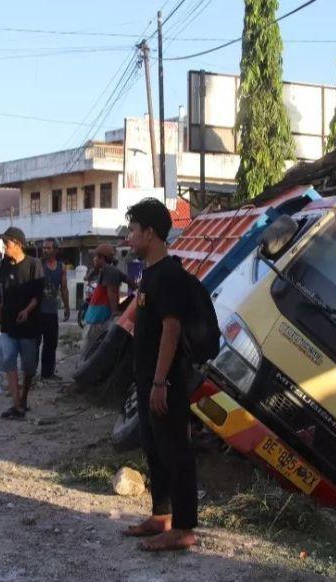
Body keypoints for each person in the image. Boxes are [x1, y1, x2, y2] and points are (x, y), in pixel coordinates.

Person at [121, 198, 197, 552]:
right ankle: (161, 516)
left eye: (133, 230)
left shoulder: (168, 275)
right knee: (155, 449)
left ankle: (183, 529)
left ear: (150, 233)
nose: (129, 237)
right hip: (148, 378)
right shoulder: (150, 274)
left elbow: (171, 329)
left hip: (165, 382)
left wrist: (159, 381)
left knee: (176, 453)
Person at [0, 226, 44, 419]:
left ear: (18, 244)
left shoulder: (34, 264)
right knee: (8, 358)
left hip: (29, 325)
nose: (4, 246)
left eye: (7, 243)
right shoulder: (3, 265)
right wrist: (0, 310)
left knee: (29, 366)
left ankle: (24, 398)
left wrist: (27, 310)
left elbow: (37, 295)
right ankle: (16, 405)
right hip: (8, 323)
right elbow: (4, 292)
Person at [81, 243, 123, 358]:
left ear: (102, 258)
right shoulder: (104, 270)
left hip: (98, 320)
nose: (93, 259)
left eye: (95, 257)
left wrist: (115, 312)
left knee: (88, 352)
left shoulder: (109, 271)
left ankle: (84, 374)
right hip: (95, 318)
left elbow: (112, 292)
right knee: (90, 351)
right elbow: (87, 278)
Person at [38, 238, 70, 380]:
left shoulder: (61, 267)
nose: (45, 250)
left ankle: (47, 373)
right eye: (44, 248)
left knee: (51, 343)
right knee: (34, 343)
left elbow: (64, 288)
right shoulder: (38, 265)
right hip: (37, 312)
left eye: (48, 248)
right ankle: (30, 373)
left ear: (55, 250)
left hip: (51, 312)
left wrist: (67, 307)